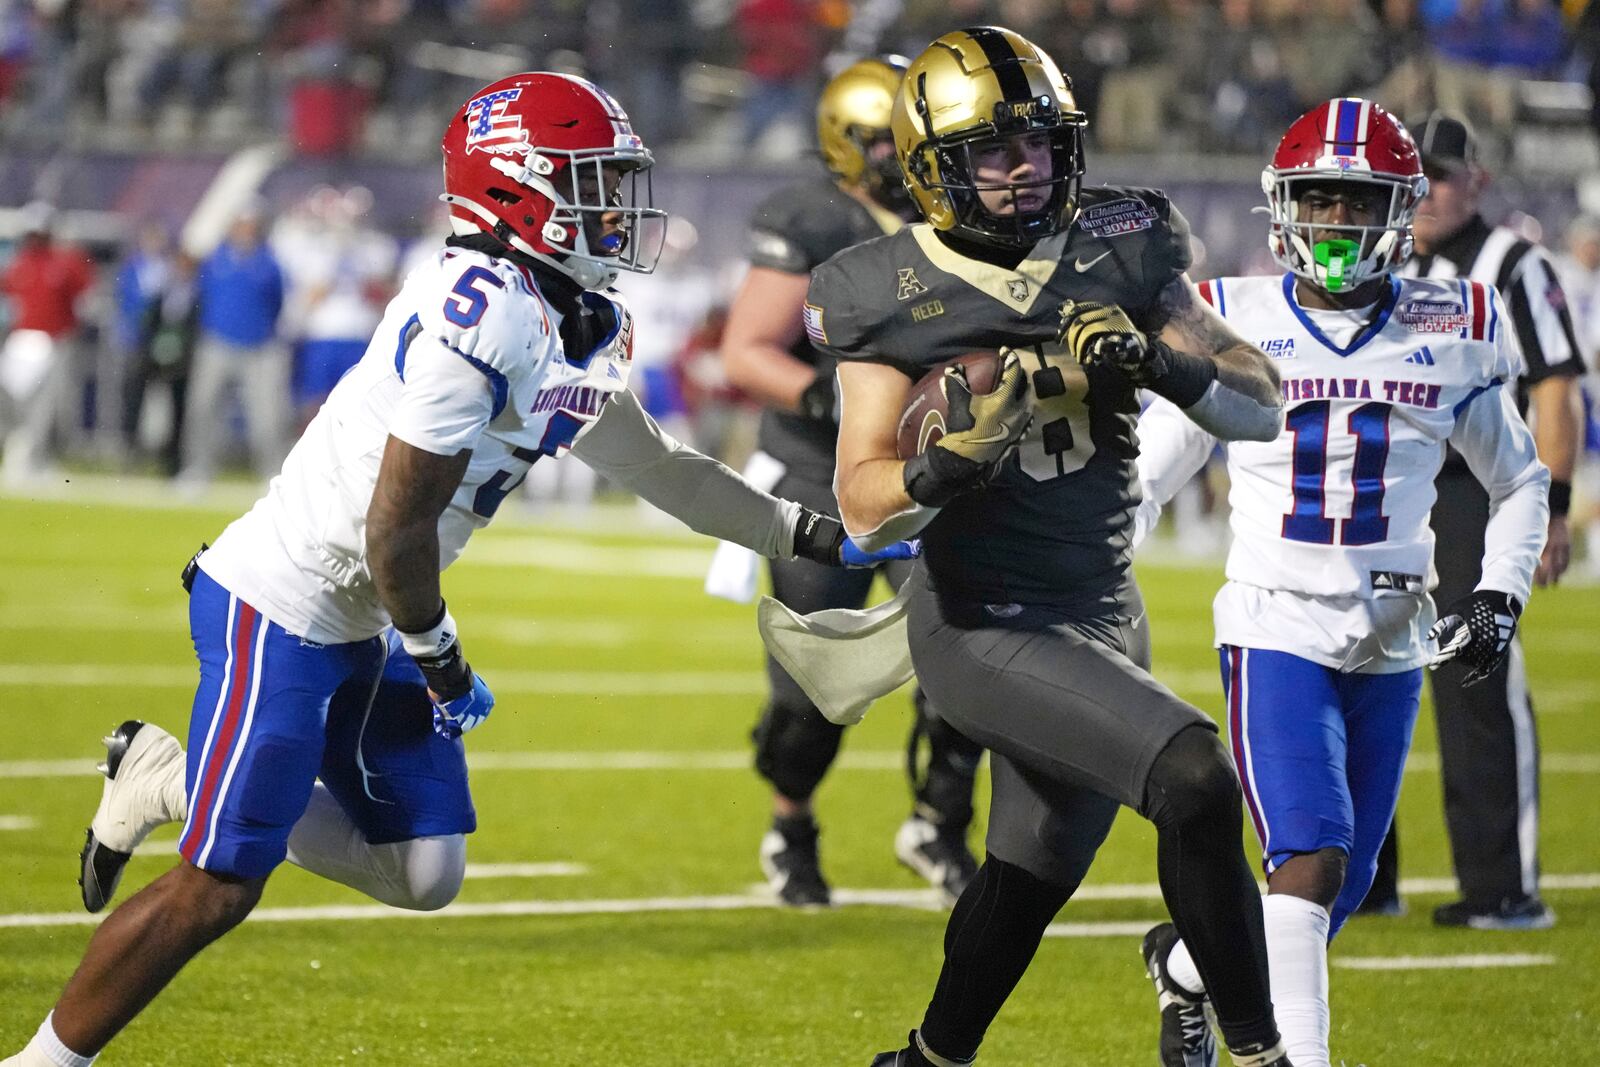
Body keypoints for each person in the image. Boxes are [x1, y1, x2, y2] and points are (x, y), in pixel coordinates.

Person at [3, 71, 915, 1067]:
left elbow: (661, 467)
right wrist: (438, 652)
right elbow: (396, 525)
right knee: (222, 879)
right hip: (292, 600)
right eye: (590, 182)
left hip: (381, 603)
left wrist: (813, 533)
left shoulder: (577, 314)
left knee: (424, 868)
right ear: (520, 190)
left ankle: (171, 774)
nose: (615, 206)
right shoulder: (477, 312)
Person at [809, 27, 1294, 1067]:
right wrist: (942, 467)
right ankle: (1262, 1054)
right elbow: (859, 503)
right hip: (982, 618)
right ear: (934, 165)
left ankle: (927, 1059)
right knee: (1196, 778)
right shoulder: (877, 286)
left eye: (1037, 139)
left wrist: (1170, 368)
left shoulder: (1125, 236)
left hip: (1104, 602)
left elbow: (1260, 407)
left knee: (1031, 868)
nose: (1024, 163)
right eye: (992, 147)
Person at [1133, 98, 1549, 1067]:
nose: (1332, 223)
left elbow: (1519, 478)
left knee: (1338, 884)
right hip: (1274, 622)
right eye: (1315, 201)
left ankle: (1188, 965)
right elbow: (1150, 469)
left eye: (1354, 202)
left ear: (1400, 212)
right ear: (1282, 207)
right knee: (1308, 856)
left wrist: (1498, 592)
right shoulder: (1226, 317)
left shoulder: (1454, 323)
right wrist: (1098, 561)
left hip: (1392, 636)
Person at [718, 54, 984, 908]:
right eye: (883, 139)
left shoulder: (964, 211)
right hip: (818, 475)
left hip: (924, 474)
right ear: (845, 141)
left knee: (967, 656)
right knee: (814, 690)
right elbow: (746, 349)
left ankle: (939, 823)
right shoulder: (815, 217)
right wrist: (840, 408)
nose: (903, 154)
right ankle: (790, 823)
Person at [1360, 111, 1583, 929]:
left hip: (1470, 491)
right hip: (1387, 486)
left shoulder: (1514, 264)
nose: (1426, 192)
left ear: (1476, 180)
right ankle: (1361, 878)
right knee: (1354, 667)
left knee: (1473, 677)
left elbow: (1556, 384)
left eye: (1442, 175)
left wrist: (1552, 506)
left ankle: (1499, 887)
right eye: (1414, 176)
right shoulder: (1382, 259)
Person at [179, 206, 288, 488]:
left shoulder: (268, 262)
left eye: (249, 224)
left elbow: (276, 302)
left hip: (259, 346)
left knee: (267, 415)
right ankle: (197, 469)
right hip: (217, 343)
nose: (245, 230)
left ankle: (271, 472)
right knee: (203, 409)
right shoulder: (215, 259)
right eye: (240, 224)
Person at [0, 202, 95, 485]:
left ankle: (37, 457)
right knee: (16, 401)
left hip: (54, 341)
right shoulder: (18, 262)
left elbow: (84, 299)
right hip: (21, 339)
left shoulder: (66, 261)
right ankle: (20, 452)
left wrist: (70, 329)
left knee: (49, 405)